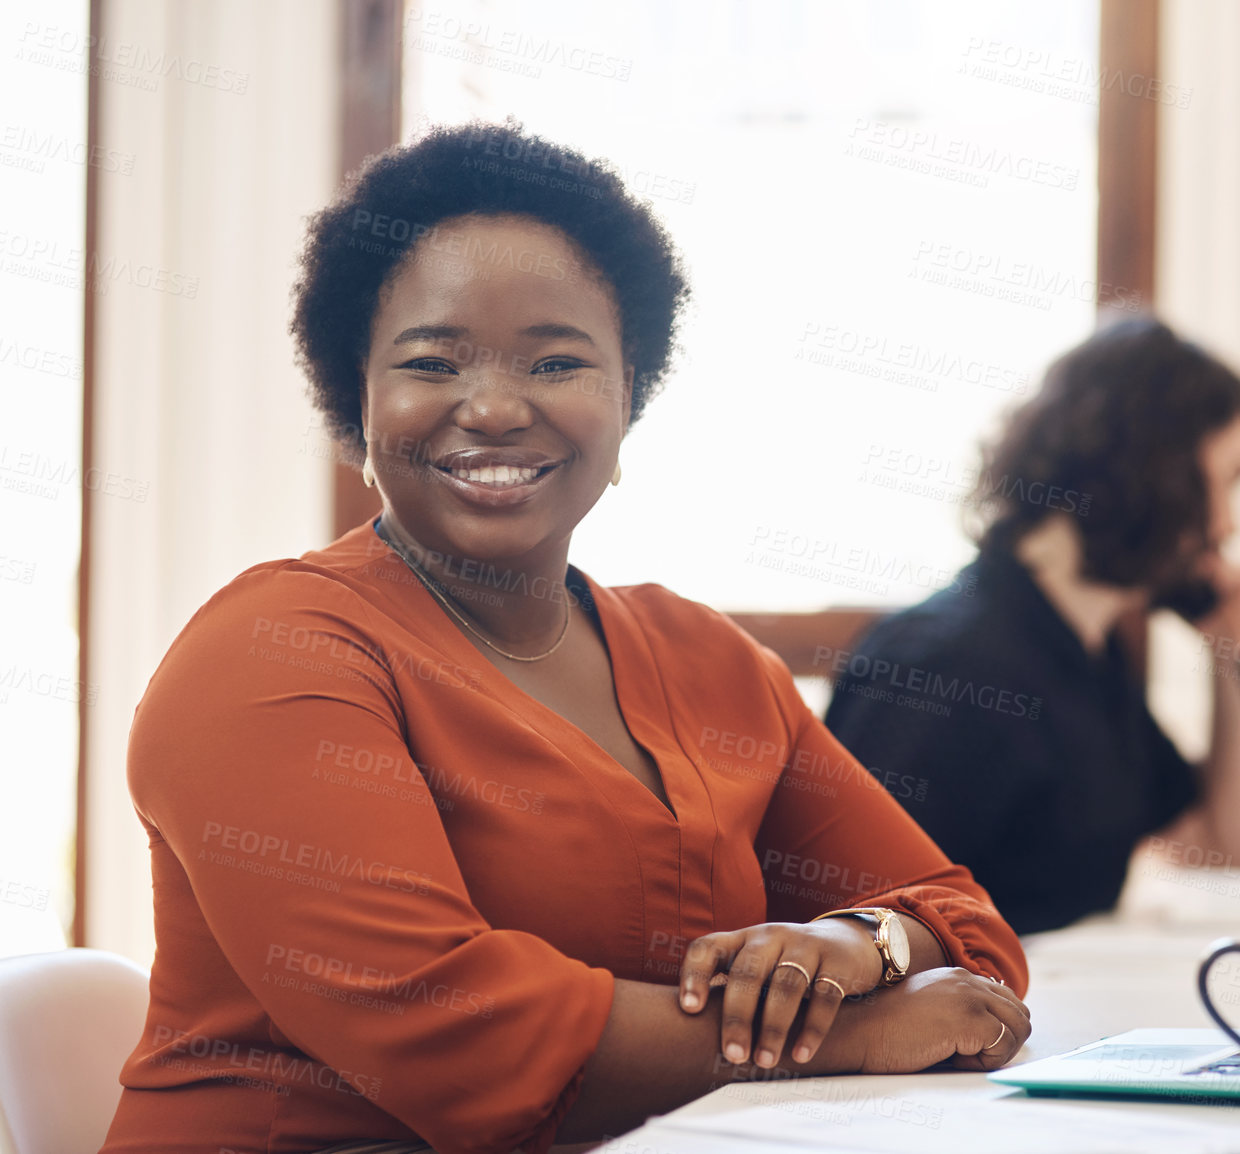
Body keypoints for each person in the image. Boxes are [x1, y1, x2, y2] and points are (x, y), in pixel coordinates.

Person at [98, 122, 1029, 1154]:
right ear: (357, 404)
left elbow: (966, 925)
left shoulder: (705, 660)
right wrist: (849, 1033)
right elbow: (447, 1032)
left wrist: (855, 943)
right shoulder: (268, 657)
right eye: (431, 360)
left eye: (554, 359)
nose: (493, 406)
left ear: (626, 396)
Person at [822, 317, 1240, 935]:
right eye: (1222, 485)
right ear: (1152, 476)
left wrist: (1235, 655)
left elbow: (1228, 847)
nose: (1227, 528)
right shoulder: (942, 663)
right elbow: (852, 923)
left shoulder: (1091, 653)